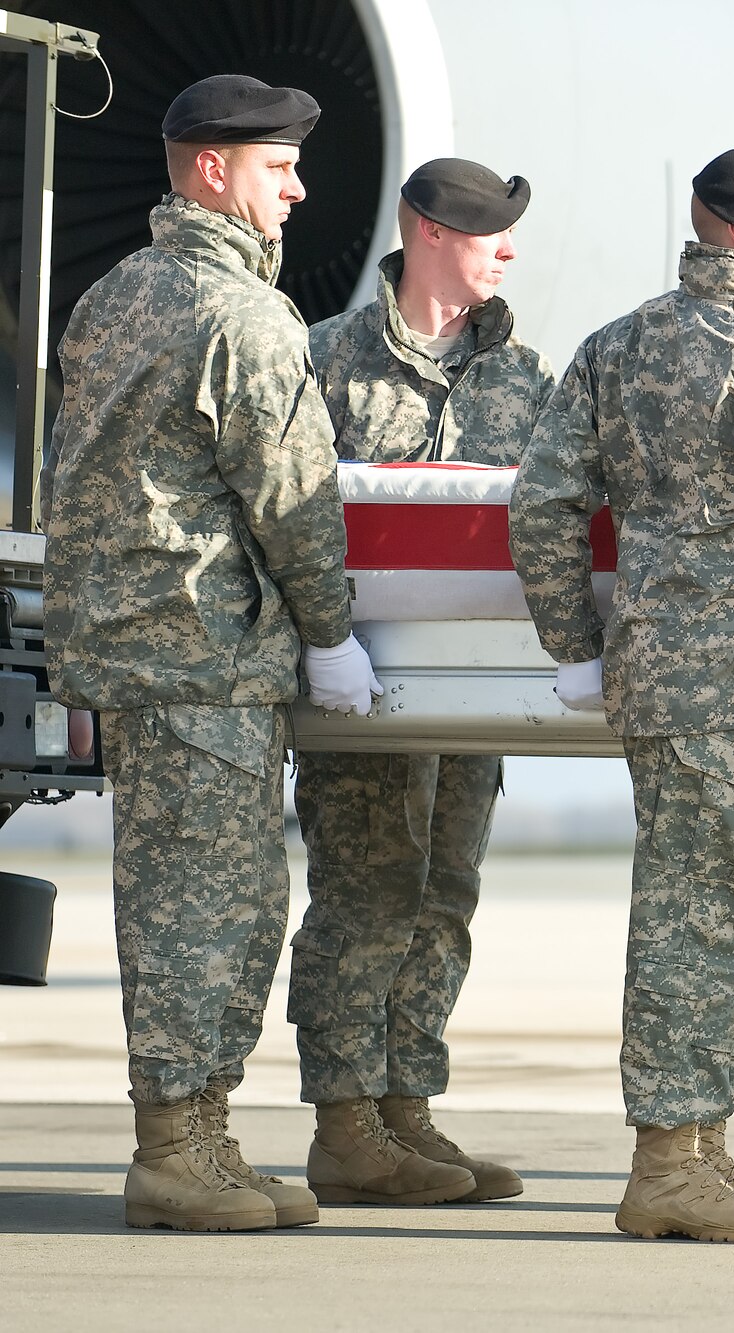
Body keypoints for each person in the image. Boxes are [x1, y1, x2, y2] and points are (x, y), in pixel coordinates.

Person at [509, 147, 734, 1243]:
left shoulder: (614, 345)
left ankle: (698, 1150)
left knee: (696, 909)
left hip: (652, 665)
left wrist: (576, 645)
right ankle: (671, 1160)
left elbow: (541, 504)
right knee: (707, 921)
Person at [42, 74, 380, 1232]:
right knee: (208, 909)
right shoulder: (241, 315)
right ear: (210, 172)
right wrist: (330, 632)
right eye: (278, 168)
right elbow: (292, 498)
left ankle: (207, 1143)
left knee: (199, 900)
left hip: (139, 652)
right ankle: (177, 1152)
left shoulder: (113, 295)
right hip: (201, 653)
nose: (298, 189)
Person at [291, 158, 555, 1206]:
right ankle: (346, 1122)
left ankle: (408, 1107)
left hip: (473, 695)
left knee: (443, 900)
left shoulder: (524, 378)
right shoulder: (325, 360)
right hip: (361, 690)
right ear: (428, 229)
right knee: (365, 897)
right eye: (490, 229)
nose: (508, 249)